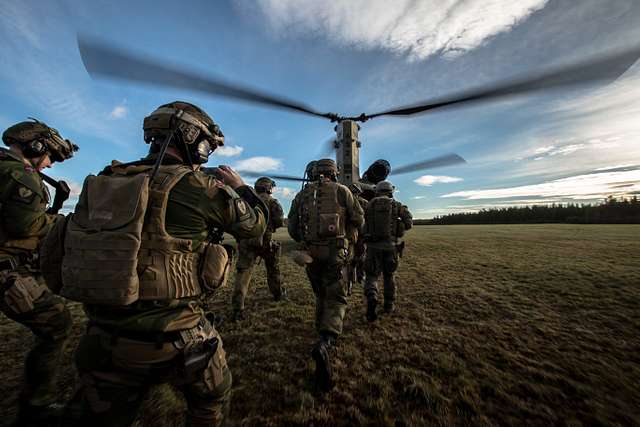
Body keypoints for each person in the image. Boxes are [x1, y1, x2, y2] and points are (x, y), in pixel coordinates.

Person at [60, 102, 266, 427]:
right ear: (192, 138)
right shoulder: (199, 187)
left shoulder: (107, 179)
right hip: (174, 338)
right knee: (212, 397)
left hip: (103, 335)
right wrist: (241, 188)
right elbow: (254, 226)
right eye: (207, 145)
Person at [0, 118, 78, 425]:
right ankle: (36, 406)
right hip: (6, 271)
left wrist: (54, 205)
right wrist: (61, 222)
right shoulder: (19, 173)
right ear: (35, 146)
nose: (49, 164)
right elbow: (25, 227)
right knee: (57, 324)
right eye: (50, 156)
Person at [287, 159, 364, 392]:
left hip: (310, 253)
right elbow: (359, 219)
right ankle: (325, 341)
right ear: (334, 173)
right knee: (336, 297)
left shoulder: (301, 195)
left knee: (320, 292)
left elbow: (292, 228)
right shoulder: (343, 191)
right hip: (335, 254)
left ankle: (319, 327)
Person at [231, 176, 285, 321]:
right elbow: (279, 221)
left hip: (246, 242)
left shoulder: (245, 201)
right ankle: (277, 294)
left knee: (243, 273)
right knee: (273, 269)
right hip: (266, 242)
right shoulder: (273, 202)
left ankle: (238, 307)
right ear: (269, 188)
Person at [362, 180, 413, 322]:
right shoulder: (397, 205)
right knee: (389, 276)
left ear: (377, 191)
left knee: (371, 276)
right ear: (391, 192)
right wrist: (399, 226)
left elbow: (361, 223)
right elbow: (409, 223)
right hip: (391, 247)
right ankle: (389, 305)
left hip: (373, 248)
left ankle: (372, 296)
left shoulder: (369, 205)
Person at [346, 182, 368, 295]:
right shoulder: (364, 203)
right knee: (361, 257)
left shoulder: (345, 202)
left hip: (349, 236)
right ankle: (360, 276)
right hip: (361, 236)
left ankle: (349, 284)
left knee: (349, 261)